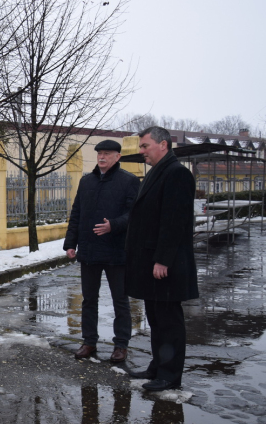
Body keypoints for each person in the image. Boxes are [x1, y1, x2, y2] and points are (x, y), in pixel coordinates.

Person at [125, 126, 199, 392]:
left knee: (169, 321)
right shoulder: (159, 171)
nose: (141, 151)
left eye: (145, 146)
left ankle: (169, 376)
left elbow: (174, 222)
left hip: (165, 264)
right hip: (151, 260)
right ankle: (157, 367)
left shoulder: (177, 174)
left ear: (164, 145)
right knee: (156, 318)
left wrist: (163, 260)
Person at [64, 139, 140, 362]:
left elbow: (134, 215)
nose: (102, 157)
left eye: (107, 153)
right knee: (88, 299)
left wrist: (113, 226)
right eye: (99, 154)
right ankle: (89, 342)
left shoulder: (129, 181)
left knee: (120, 300)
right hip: (89, 250)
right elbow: (76, 213)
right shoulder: (86, 181)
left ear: (118, 156)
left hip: (116, 251)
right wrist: (70, 243)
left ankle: (121, 345)